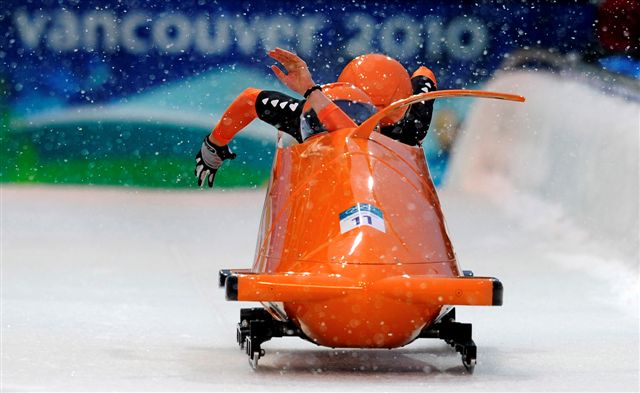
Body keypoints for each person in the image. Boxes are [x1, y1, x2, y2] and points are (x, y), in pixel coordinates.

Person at [195, 48, 438, 187]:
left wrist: (214, 145)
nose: (358, 120)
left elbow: (250, 100)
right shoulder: (310, 116)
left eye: (365, 113)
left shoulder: (410, 126)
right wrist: (213, 146)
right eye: (349, 107)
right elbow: (425, 76)